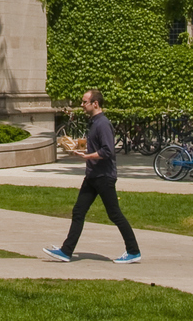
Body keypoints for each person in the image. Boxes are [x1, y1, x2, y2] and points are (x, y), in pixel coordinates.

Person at [45, 88, 141, 264]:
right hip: (92, 176)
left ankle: (133, 251)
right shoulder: (95, 122)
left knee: (114, 214)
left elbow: (108, 151)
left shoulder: (103, 123)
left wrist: (87, 156)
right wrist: (81, 150)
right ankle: (66, 251)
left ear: (95, 103)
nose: (82, 105)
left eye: (84, 102)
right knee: (79, 211)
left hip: (103, 176)